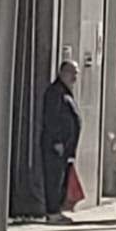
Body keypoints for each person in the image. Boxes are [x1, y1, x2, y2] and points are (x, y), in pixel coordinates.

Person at [40, 60, 82, 219]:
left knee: (61, 178)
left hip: (65, 147)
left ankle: (57, 210)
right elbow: (52, 118)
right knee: (54, 178)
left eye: (77, 74)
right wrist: (57, 141)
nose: (75, 77)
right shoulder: (55, 92)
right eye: (73, 73)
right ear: (63, 72)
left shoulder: (65, 92)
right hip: (55, 146)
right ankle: (52, 212)